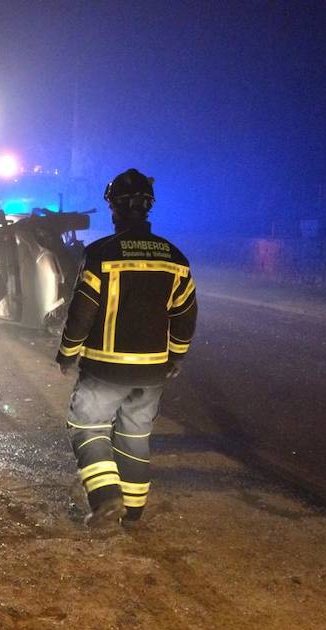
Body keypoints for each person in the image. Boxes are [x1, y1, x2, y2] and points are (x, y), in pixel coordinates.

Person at [56, 168, 197, 527]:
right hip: (153, 371)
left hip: (105, 368)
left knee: (88, 427)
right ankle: (133, 511)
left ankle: (106, 499)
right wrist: (177, 355)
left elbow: (82, 311)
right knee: (135, 434)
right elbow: (184, 315)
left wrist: (68, 351)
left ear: (114, 208)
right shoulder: (176, 258)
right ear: (148, 207)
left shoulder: (100, 254)